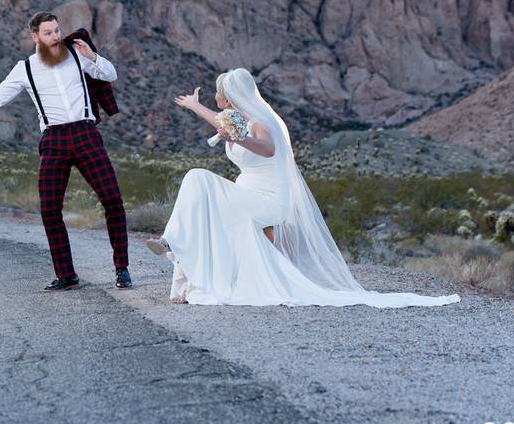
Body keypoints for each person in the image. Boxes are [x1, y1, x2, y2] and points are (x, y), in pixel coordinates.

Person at [147, 68, 460, 308]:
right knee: (200, 188)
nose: (218, 98)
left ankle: (175, 247)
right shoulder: (237, 119)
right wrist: (194, 106)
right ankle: (180, 260)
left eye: (219, 93)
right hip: (247, 195)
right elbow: (222, 123)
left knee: (198, 179)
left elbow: (267, 148)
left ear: (228, 96)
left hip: (267, 201)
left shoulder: (261, 123)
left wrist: (237, 139)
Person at [0, 11, 131, 291]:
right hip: (54, 140)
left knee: (112, 199)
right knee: (49, 209)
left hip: (86, 134)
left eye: (57, 31)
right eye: (48, 33)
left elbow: (111, 74)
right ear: (35, 37)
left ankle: (121, 268)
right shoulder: (24, 69)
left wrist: (93, 57)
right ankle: (67, 275)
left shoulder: (77, 55)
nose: (55, 37)